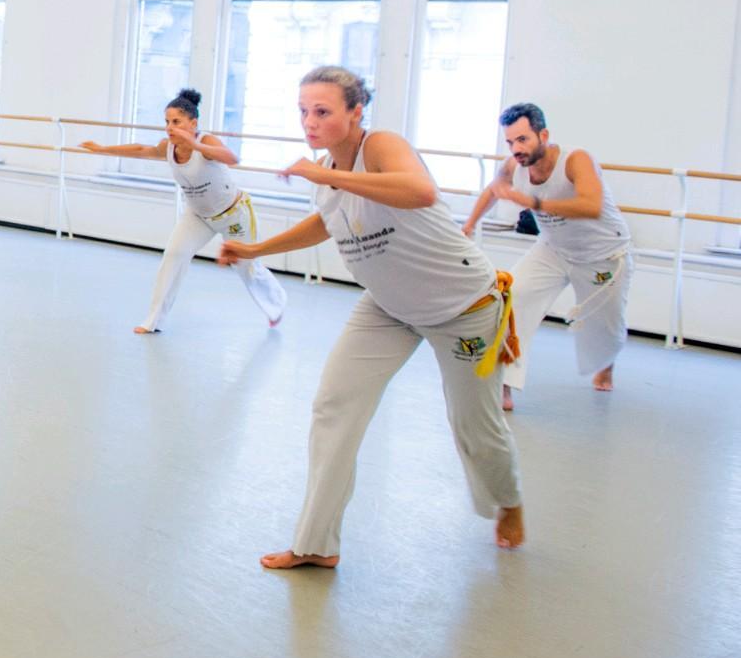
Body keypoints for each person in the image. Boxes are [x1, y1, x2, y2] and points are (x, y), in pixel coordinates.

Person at [218, 66, 524, 569]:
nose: (309, 122)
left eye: (322, 111)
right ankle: (316, 544)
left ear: (356, 112)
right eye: (303, 111)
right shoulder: (327, 172)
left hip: (464, 308)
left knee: (475, 426)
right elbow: (326, 221)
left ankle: (509, 503)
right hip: (388, 306)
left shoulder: (380, 145)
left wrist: (325, 173)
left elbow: (421, 191)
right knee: (334, 406)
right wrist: (256, 248)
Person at [463, 102, 632, 408]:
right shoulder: (515, 164)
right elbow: (494, 189)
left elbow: (590, 206)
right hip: (553, 249)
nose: (516, 148)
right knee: (511, 299)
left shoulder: (576, 160)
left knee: (605, 331)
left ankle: (606, 362)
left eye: (523, 139)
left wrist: (533, 202)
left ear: (544, 134)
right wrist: (470, 225)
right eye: (510, 141)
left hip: (604, 253)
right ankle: (504, 384)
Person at [79, 87, 286, 334]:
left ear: (193, 123)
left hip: (234, 214)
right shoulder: (168, 146)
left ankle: (276, 305)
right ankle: (153, 320)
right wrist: (102, 149)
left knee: (248, 268)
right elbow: (141, 150)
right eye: (167, 122)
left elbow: (231, 158)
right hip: (198, 215)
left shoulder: (205, 141)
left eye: (176, 121)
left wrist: (195, 145)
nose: (169, 127)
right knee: (174, 256)